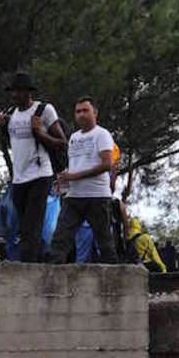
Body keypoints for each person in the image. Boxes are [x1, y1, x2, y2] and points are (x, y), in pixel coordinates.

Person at [0, 72, 68, 263]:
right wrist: (1, 128)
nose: (14, 95)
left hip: (40, 174)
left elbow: (62, 142)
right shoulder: (11, 114)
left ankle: (27, 265)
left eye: (18, 91)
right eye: (12, 91)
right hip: (19, 178)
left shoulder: (44, 110)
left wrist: (40, 132)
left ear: (28, 92)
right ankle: (31, 262)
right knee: (22, 224)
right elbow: (15, 143)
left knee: (32, 224)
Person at [48, 97, 118, 264]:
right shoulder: (73, 137)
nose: (81, 114)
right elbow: (76, 166)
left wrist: (74, 176)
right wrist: (63, 180)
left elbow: (107, 164)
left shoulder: (102, 134)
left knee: (105, 243)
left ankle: (114, 276)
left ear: (95, 113)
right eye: (78, 111)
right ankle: (53, 276)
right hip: (74, 196)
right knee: (60, 240)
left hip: (97, 196)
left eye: (85, 110)